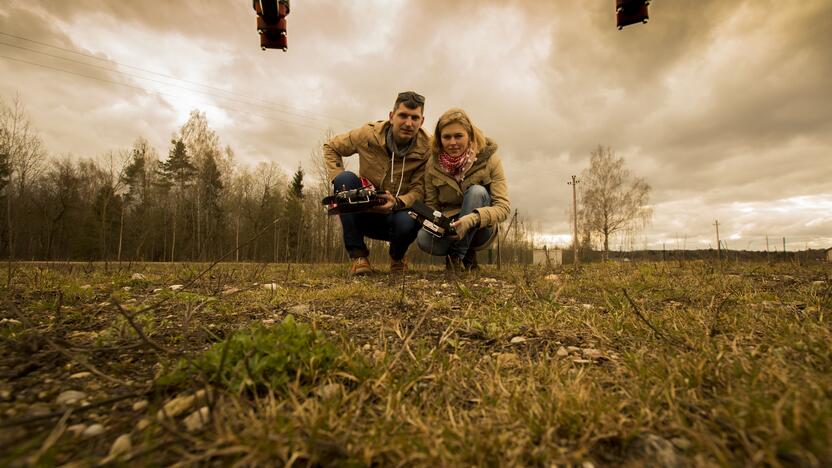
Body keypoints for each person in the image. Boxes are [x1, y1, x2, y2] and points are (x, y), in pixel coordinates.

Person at [323, 91, 430, 275]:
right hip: (363, 212)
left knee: (412, 217)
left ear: (422, 121)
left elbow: (419, 189)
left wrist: (397, 202)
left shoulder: (428, 148)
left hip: (397, 215)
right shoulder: (367, 134)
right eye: (403, 115)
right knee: (344, 180)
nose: (408, 123)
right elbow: (331, 147)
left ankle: (397, 258)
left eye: (415, 118)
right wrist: (339, 180)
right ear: (391, 116)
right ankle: (359, 257)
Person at [417, 108, 510, 271]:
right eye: (446, 137)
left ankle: (455, 258)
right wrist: (438, 224)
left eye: (458, 136)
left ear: (470, 136)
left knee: (477, 192)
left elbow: (503, 208)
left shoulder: (490, 159)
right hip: (450, 226)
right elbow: (432, 205)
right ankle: (466, 256)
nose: (452, 142)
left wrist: (471, 220)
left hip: (481, 227)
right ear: (439, 139)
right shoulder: (432, 165)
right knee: (423, 238)